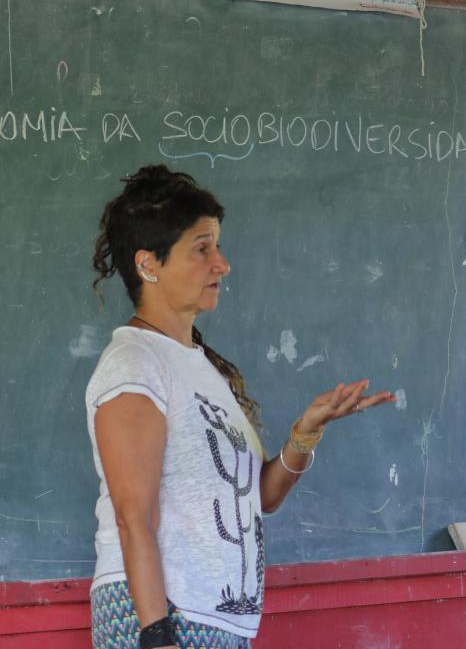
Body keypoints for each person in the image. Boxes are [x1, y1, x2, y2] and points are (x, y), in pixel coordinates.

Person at [86, 165, 394, 649]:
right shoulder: (135, 364)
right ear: (149, 264)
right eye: (202, 248)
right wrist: (156, 636)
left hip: (215, 622)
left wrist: (305, 433)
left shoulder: (200, 366)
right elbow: (133, 517)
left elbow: (259, 499)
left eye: (218, 247)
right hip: (162, 618)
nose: (222, 264)